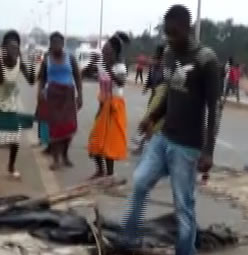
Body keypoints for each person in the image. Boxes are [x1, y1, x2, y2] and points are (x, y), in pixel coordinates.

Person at [123, 4, 220, 255]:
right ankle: (129, 241)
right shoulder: (168, 54)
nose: (170, 38)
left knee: (183, 205)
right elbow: (170, 93)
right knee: (140, 181)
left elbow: (215, 109)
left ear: (187, 27)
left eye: (174, 33)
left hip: (187, 147)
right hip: (163, 138)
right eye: (166, 33)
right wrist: (152, 117)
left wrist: (208, 151)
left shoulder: (206, 60)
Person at [0, 30, 34, 184]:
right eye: (10, 46)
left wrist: (28, 63)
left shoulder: (20, 60)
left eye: (16, 46)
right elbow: (0, 79)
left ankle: (11, 166)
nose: (14, 49)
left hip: (10, 98)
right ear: (5, 47)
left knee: (15, 136)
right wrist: (8, 59)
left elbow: (31, 81)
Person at [87, 31, 130, 178]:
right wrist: (92, 65)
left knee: (109, 142)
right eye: (104, 49)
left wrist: (109, 69)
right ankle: (100, 170)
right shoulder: (100, 64)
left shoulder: (120, 67)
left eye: (108, 50)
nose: (105, 52)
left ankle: (110, 174)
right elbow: (87, 74)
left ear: (115, 52)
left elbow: (121, 82)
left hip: (115, 106)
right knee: (95, 138)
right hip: (103, 103)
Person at [36, 31, 82, 170]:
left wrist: (80, 95)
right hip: (53, 96)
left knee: (70, 126)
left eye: (59, 42)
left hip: (68, 95)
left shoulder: (71, 58)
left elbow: (77, 77)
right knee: (55, 129)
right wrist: (40, 92)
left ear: (63, 44)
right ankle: (56, 159)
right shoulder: (47, 59)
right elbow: (42, 78)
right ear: (50, 44)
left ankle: (65, 155)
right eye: (53, 42)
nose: (56, 45)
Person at [132, 44, 166, 155]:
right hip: (154, 93)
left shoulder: (165, 65)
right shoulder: (155, 64)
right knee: (150, 119)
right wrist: (146, 87)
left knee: (152, 121)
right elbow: (150, 77)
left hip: (162, 96)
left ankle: (144, 146)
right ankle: (143, 145)